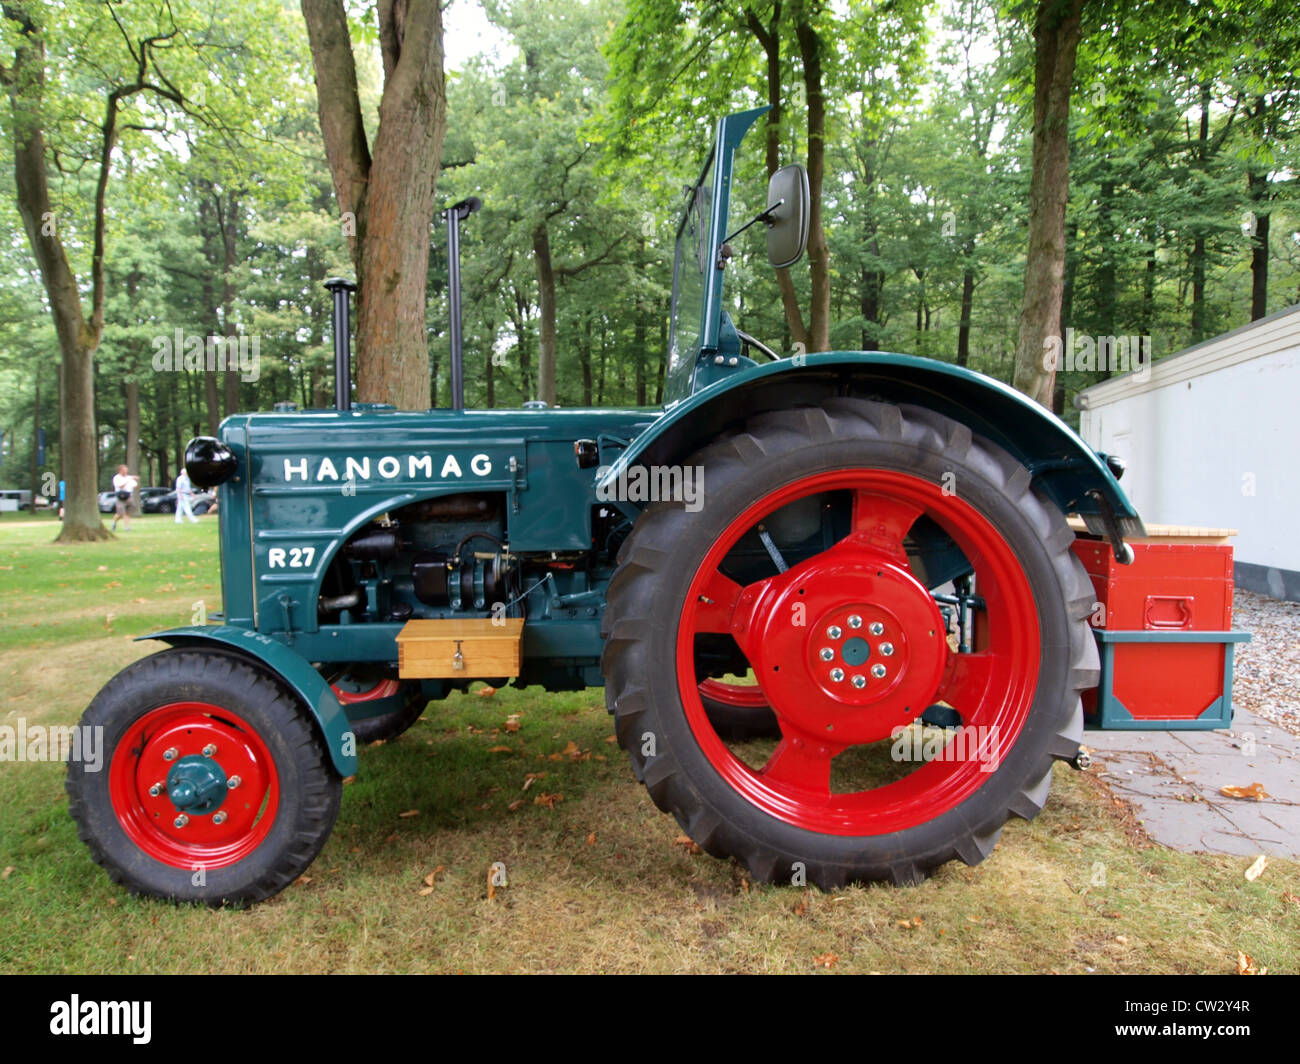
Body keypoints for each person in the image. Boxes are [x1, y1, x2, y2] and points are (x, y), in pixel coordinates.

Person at [111, 464, 137, 532]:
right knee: (120, 513)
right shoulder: (117, 478)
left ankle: (127, 527)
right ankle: (114, 523)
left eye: (126, 470)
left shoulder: (129, 477)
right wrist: (128, 480)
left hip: (129, 497)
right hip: (120, 497)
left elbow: (135, 486)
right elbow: (121, 486)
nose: (125, 471)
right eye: (124, 470)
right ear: (120, 470)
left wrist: (134, 480)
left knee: (127, 513)